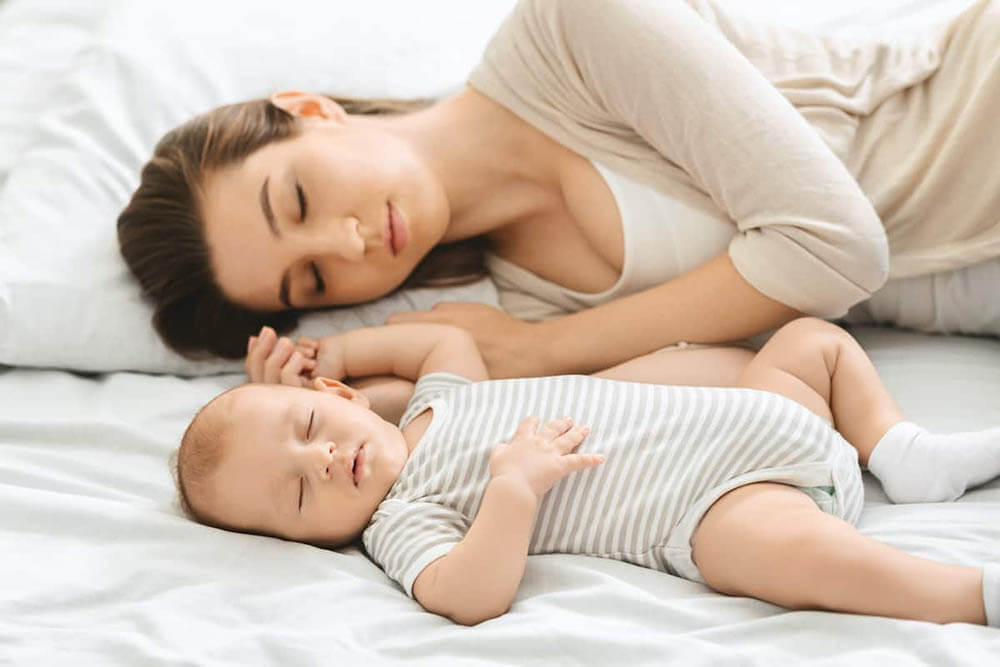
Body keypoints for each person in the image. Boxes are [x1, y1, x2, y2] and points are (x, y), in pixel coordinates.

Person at [118, 0, 1000, 378]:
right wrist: (303, 388)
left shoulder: (573, 28)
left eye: (299, 200)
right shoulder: (524, 306)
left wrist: (537, 353)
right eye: (310, 282)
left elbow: (837, 246)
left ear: (309, 110)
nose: (347, 247)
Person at [176, 316, 1000, 627]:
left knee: (810, 340)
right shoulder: (401, 519)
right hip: (718, 503)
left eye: (311, 426)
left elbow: (442, 342)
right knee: (766, 554)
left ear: (337, 396)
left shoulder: (440, 403)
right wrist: (513, 489)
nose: (323, 462)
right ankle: (965, 594)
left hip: (771, 412)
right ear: (301, 539)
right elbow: (465, 592)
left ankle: (900, 452)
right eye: (296, 492)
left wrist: (334, 353)